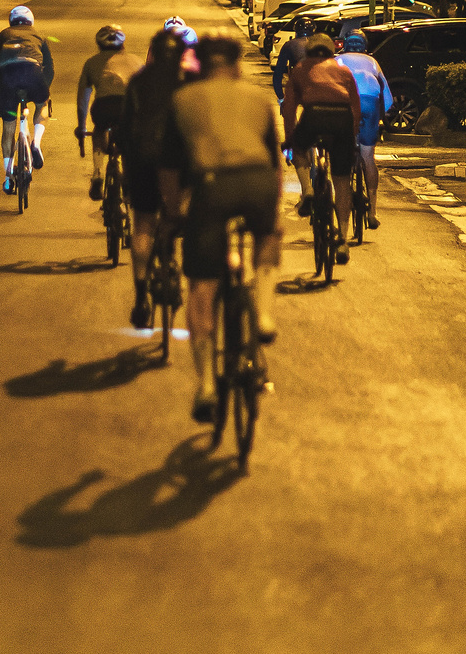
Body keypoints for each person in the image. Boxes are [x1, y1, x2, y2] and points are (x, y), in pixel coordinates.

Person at [158, 32, 284, 423]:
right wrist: (272, 212)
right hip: (258, 180)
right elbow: (275, 161)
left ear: (201, 65)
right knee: (268, 236)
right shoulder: (258, 98)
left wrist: (174, 213)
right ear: (235, 65)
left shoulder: (183, 99)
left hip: (212, 186)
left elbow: (169, 168)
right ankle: (263, 314)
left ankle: (208, 387)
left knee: (202, 286)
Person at [119, 27, 197, 328]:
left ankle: (141, 296)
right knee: (182, 207)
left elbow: (126, 128)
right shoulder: (189, 80)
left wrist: (127, 165)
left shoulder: (139, 81)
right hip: (178, 158)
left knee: (142, 223)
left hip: (143, 157)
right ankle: (172, 237)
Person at [282, 35, 361, 263]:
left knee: (299, 149)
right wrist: (351, 136)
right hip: (342, 120)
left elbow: (289, 109)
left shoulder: (300, 69)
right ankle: (343, 240)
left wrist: (290, 139)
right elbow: (355, 108)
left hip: (314, 115)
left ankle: (307, 190)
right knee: (342, 181)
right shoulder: (343, 71)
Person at [0, 4, 54, 192]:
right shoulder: (38, 35)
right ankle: (36, 143)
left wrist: (0, 94)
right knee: (43, 103)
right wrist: (43, 91)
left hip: (8, 78)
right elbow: (50, 69)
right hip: (32, 73)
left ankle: (8, 178)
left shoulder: (3, 35)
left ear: (11, 22)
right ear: (30, 21)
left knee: (8, 128)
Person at [337, 30, 394, 230]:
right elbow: (388, 99)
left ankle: (343, 200)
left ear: (344, 44)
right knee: (368, 157)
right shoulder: (372, 62)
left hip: (346, 104)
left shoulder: (337, 60)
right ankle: (372, 212)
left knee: (343, 153)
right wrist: (379, 118)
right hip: (370, 103)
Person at [76, 25, 131, 201]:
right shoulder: (135, 61)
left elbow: (83, 98)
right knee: (129, 139)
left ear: (99, 45)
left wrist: (81, 127)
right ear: (123, 45)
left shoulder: (91, 62)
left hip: (104, 107)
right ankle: (129, 177)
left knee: (99, 130)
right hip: (127, 108)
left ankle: (98, 173)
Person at [271, 12, 317, 103]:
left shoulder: (289, 45)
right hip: (317, 86)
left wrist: (281, 97)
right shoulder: (319, 44)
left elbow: (278, 72)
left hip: (297, 85)